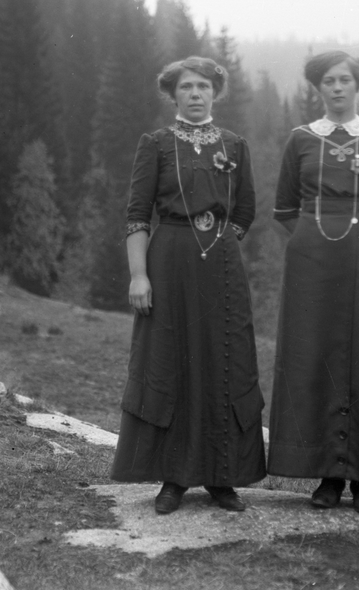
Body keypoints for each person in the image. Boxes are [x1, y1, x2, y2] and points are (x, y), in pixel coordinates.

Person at [109, 56, 267, 515]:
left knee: (225, 360)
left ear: (215, 93)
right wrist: (140, 275)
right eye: (186, 88)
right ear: (173, 95)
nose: (195, 94)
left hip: (220, 264)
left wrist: (217, 244)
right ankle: (173, 479)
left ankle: (224, 479)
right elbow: (137, 214)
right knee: (169, 360)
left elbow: (245, 211)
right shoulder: (155, 144)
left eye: (203, 87)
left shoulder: (234, 146)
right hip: (169, 260)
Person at [267, 50, 359, 516]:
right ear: (318, 88)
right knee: (317, 354)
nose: (336, 88)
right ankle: (328, 477)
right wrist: (316, 240)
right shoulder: (300, 140)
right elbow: (282, 212)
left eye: (345, 81)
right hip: (312, 264)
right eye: (328, 81)